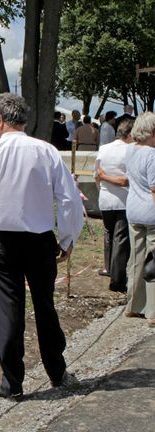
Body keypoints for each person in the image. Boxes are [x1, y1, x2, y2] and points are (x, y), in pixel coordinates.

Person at [0, 93, 84, 400]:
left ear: (1, 120)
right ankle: (56, 370)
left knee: (7, 307)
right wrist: (67, 237)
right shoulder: (47, 152)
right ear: (23, 120)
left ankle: (12, 381)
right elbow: (68, 199)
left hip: (2, 239)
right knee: (45, 305)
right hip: (40, 238)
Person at [123, 112, 155, 328]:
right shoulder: (152, 154)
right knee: (153, 261)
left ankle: (133, 305)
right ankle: (152, 311)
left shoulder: (130, 151)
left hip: (133, 209)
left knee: (136, 258)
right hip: (151, 211)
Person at [94, 119, 134, 292]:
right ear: (130, 135)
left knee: (109, 235)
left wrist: (102, 181)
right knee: (121, 239)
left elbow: (96, 174)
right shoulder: (130, 150)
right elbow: (126, 180)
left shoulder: (103, 149)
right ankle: (117, 279)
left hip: (105, 198)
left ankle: (109, 269)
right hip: (122, 200)